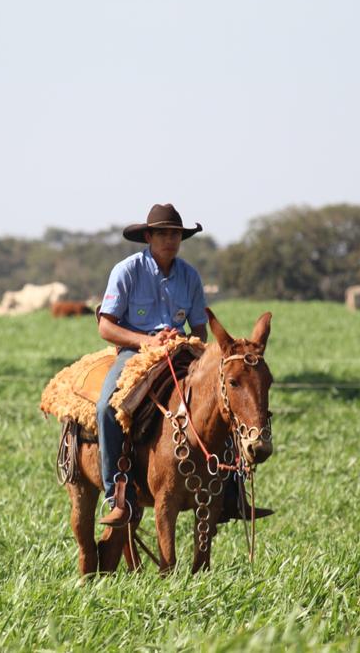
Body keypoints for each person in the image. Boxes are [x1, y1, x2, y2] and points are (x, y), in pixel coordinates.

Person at [96, 203, 272, 527]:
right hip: (136, 354)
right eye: (163, 233)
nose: (170, 240)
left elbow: (200, 329)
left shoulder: (189, 275)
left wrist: (185, 340)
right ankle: (118, 495)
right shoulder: (127, 270)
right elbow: (106, 326)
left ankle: (232, 491)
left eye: (175, 234)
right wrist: (146, 341)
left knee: (223, 399)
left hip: (183, 351)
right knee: (107, 407)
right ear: (148, 236)